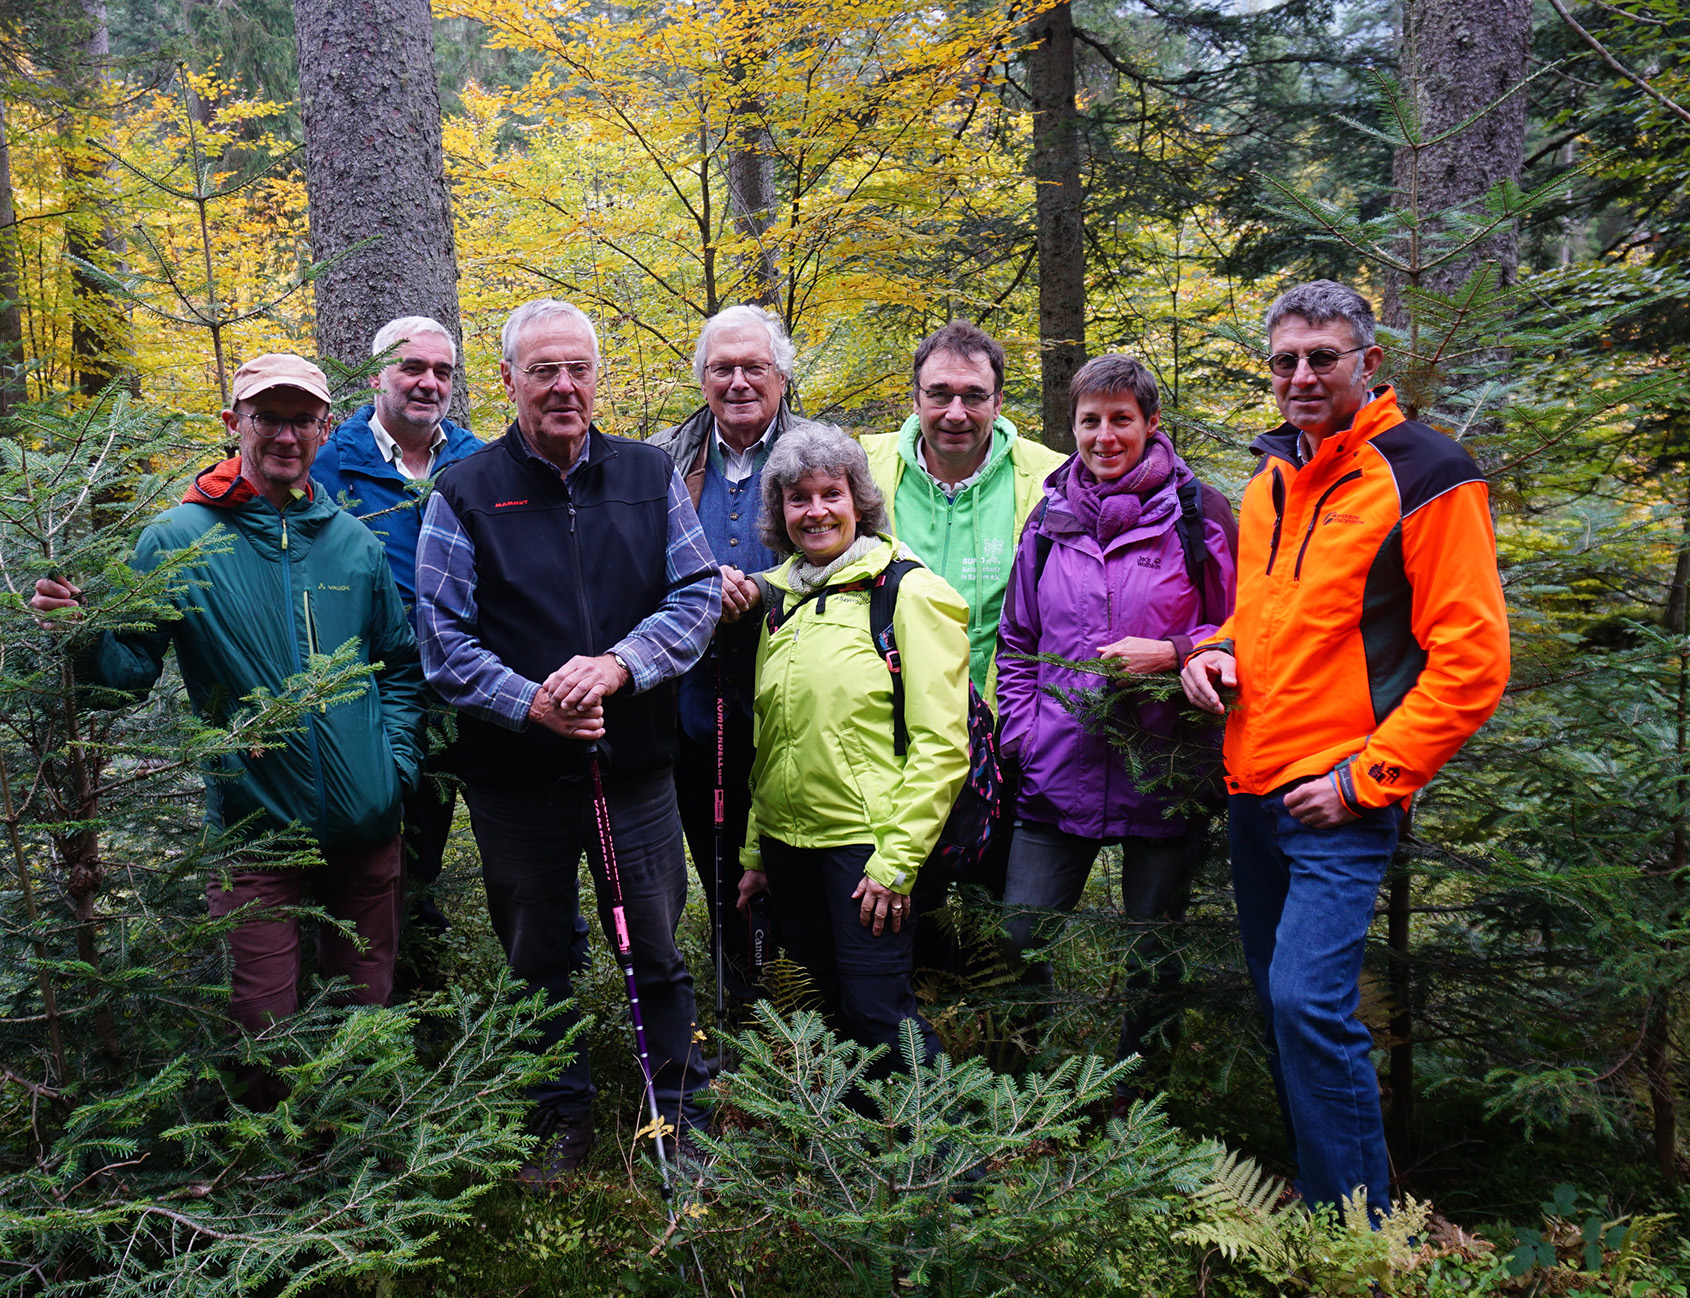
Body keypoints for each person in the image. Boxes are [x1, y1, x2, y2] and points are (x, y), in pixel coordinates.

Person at [1179, 280, 1510, 1217]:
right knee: (1284, 1011)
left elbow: (1474, 661)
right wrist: (1213, 654)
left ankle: (1361, 1232)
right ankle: (1326, 1202)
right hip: (1254, 788)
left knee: (1307, 1006)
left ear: (1368, 363)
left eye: (1322, 356)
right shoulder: (1269, 483)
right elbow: (1266, 617)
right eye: (1285, 359)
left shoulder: (1428, 475)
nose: (1301, 375)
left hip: (1338, 796)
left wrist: (1368, 780)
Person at [31, 353, 425, 1110]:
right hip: (254, 834)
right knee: (263, 1028)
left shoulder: (354, 545)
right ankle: (274, 1189)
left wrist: (394, 766)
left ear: (323, 429)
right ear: (233, 424)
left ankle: (357, 1176)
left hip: (367, 830)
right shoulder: (178, 537)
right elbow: (123, 679)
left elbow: (401, 669)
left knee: (360, 1021)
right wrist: (83, 635)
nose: (285, 434)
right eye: (267, 417)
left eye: (301, 419)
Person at [415, 298, 721, 1188]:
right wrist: (532, 703)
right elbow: (441, 639)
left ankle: (680, 1114)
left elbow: (696, 594)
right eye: (541, 370)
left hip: (635, 771)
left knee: (658, 948)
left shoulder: (647, 473)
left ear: (599, 375)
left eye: (577, 368)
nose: (562, 386)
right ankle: (558, 1116)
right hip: (517, 782)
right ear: (507, 380)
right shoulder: (465, 492)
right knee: (536, 956)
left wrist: (619, 667)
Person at [996, 353, 1236, 1102]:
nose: (1105, 436)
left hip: (1167, 769)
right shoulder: (1048, 517)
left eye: (1121, 419)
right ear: (1073, 428)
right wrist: (1022, 739)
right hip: (1057, 767)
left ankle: (1140, 1106)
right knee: (1019, 941)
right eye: (1090, 421)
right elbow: (1017, 642)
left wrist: (1172, 653)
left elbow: (1244, 628)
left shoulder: (1202, 513)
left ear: (1150, 423)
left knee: (1153, 956)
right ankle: (1008, 1094)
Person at [735, 424, 970, 1064]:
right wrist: (757, 850)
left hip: (867, 850)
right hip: (791, 848)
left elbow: (943, 745)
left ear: (858, 501)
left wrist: (896, 862)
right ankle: (859, 1150)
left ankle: (946, 1155)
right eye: (798, 498)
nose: (815, 512)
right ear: (779, 512)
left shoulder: (905, 592)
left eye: (830, 494)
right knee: (830, 1006)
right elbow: (770, 738)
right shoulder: (782, 602)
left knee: (877, 1012)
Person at [650, 305, 837, 1004]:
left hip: (796, 695)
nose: (737, 381)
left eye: (753, 367)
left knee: (795, 861)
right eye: (721, 368)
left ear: (782, 375)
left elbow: (856, 560)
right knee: (718, 856)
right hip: (692, 702)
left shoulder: (822, 453)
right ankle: (739, 995)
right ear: (701, 378)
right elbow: (640, 562)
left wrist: (761, 587)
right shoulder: (663, 457)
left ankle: (807, 1008)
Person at [860, 319, 1065, 949]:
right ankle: (908, 1041)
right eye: (939, 393)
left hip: (1007, 738)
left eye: (973, 395)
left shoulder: (1052, 478)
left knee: (1005, 938)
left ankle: (1002, 1045)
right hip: (889, 740)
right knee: (892, 922)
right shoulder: (863, 466)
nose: (955, 412)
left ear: (999, 402)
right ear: (914, 397)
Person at [312, 316, 481, 931]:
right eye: (413, 367)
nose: (429, 383)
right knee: (370, 834)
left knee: (432, 832)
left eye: (442, 371)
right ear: (378, 375)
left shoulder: (477, 462)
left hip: (466, 685)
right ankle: (365, 974)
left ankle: (423, 954)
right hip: (371, 689)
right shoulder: (329, 465)